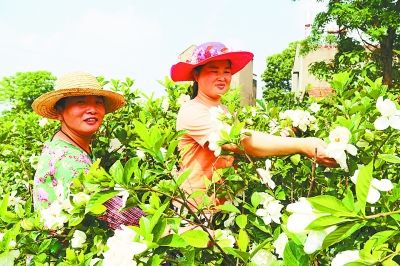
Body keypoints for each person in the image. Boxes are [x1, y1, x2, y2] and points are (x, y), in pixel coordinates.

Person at [170, 42, 337, 208]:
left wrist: (286, 133)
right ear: (196, 76)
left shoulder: (224, 111)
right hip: (196, 209)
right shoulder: (192, 111)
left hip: (224, 205)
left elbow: (247, 145)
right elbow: (239, 141)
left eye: (226, 72)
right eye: (214, 71)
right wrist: (302, 145)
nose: (222, 77)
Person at [32, 71, 144, 230]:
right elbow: (117, 213)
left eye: (98, 102)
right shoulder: (69, 161)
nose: (92, 109)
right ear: (59, 112)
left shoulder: (62, 144)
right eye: (81, 102)